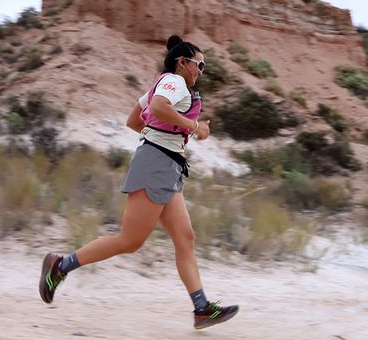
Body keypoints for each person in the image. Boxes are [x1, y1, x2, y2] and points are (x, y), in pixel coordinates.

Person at [39, 35, 239, 330]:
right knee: (129, 241)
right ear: (182, 62)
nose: (201, 71)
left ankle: (201, 309)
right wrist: (193, 127)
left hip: (166, 166)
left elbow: (134, 121)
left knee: (185, 238)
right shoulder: (174, 81)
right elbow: (158, 107)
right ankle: (60, 266)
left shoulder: (164, 83)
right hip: (156, 165)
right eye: (200, 65)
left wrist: (161, 136)